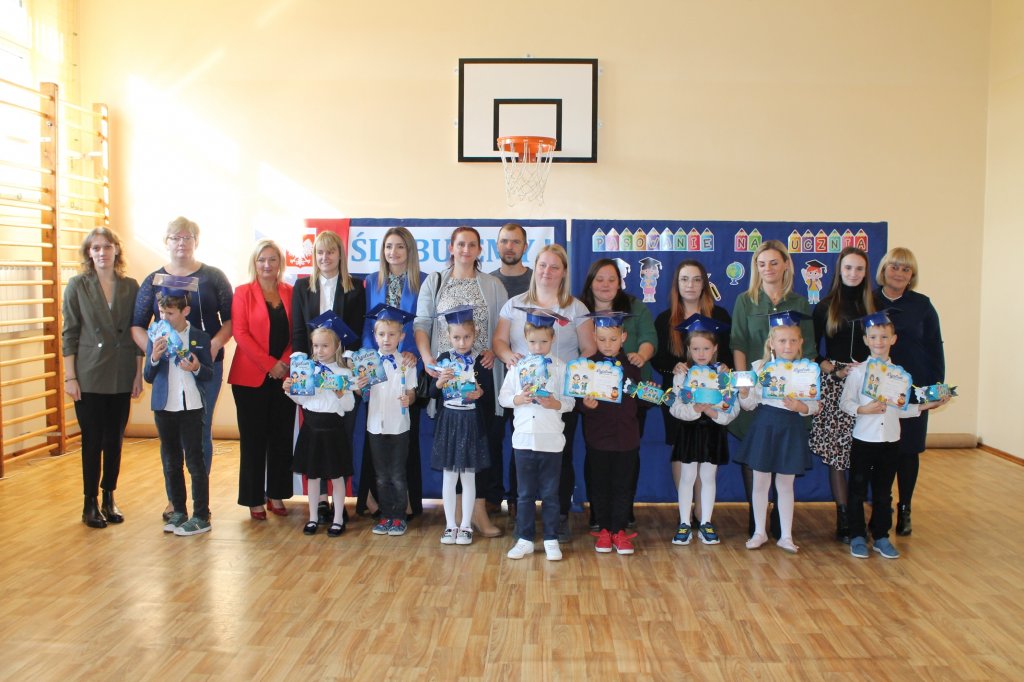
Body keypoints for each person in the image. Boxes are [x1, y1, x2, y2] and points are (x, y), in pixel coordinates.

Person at [131, 217, 233, 521]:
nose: (181, 243)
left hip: (204, 366)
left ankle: (200, 503)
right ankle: (175, 501)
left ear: (196, 241)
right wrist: (155, 352)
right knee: (172, 439)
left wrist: (213, 345)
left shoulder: (214, 277)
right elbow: (137, 326)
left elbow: (230, 320)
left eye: (188, 237)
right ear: (167, 241)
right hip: (167, 371)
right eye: (176, 237)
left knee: (200, 432)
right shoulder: (153, 280)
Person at [493, 244, 596, 542]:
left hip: (559, 397)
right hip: (524, 396)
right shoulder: (514, 305)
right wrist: (510, 358)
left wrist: (569, 375)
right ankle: (520, 516)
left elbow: (589, 348)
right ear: (534, 267)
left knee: (561, 456)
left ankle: (560, 516)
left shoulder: (576, 308)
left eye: (554, 267)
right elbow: (499, 342)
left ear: (564, 272)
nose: (547, 271)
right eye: (542, 265)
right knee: (520, 454)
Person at [415, 226, 508, 536]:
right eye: (460, 244)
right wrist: (428, 359)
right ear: (451, 248)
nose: (466, 250)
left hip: (482, 370)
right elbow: (422, 323)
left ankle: (477, 511)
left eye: (472, 245)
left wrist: (493, 349)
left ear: (480, 250)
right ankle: (455, 515)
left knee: (483, 440)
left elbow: (503, 328)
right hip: (447, 373)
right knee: (453, 441)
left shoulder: (493, 285)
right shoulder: (435, 281)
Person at [839, 311, 948, 559]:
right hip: (864, 440)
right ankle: (857, 536)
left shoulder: (900, 375)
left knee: (883, 492)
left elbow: (900, 409)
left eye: (884, 337)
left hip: (890, 441)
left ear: (893, 339)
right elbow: (845, 403)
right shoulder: (857, 372)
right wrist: (863, 409)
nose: (879, 342)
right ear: (865, 340)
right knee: (857, 490)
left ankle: (881, 536)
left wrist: (925, 406)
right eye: (873, 337)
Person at [730, 241, 815, 538]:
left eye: (774, 262)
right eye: (762, 263)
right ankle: (757, 522)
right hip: (756, 392)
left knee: (784, 456)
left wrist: (800, 389)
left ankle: (781, 519)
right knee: (756, 455)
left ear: (786, 265)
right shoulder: (745, 301)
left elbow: (808, 350)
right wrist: (745, 384)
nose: (768, 268)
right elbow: (738, 344)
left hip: (789, 397)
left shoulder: (799, 303)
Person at [62, 227, 143, 528]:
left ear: (116, 250)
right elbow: (69, 333)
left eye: (107, 246)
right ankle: (89, 503)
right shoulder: (77, 285)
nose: (102, 252)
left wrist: (137, 375)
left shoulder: (130, 286)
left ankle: (109, 496)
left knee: (114, 440)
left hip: (121, 372)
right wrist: (70, 377)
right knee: (92, 440)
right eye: (95, 247)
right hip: (89, 374)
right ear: (88, 253)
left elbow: (137, 333)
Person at [291, 230, 365, 523]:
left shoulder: (354, 287)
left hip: (342, 367)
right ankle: (319, 501)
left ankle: (338, 504)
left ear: (340, 255)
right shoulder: (302, 286)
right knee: (315, 434)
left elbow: (357, 332)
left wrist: (347, 365)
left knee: (340, 436)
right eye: (320, 252)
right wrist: (301, 365)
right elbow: (299, 329)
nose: (325, 257)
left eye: (330, 252)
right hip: (311, 367)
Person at [652, 259, 732, 527]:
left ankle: (702, 512)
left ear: (704, 284)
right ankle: (685, 513)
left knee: (706, 453)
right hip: (680, 396)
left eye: (697, 279)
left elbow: (727, 354)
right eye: (684, 279)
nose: (690, 285)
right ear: (677, 284)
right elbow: (659, 359)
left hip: (712, 398)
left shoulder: (720, 316)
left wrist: (723, 370)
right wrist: (674, 367)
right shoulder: (665, 319)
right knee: (682, 451)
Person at [579, 257, 657, 529]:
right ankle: (598, 513)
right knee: (596, 457)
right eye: (599, 279)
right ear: (590, 282)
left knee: (627, 457)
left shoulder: (634, 306)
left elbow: (649, 338)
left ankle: (624, 512)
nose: (605, 284)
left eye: (611, 279)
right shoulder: (580, 307)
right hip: (595, 399)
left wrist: (640, 357)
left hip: (630, 395)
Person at [735, 311, 820, 554]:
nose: (788, 346)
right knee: (760, 483)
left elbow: (814, 406)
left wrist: (800, 406)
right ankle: (759, 532)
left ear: (800, 342)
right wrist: (744, 393)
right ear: (771, 343)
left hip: (791, 429)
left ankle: (786, 536)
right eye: (782, 341)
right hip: (765, 426)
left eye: (793, 341)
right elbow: (749, 405)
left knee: (785, 484)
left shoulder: (807, 371)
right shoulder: (759, 367)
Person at [874, 247, 944, 536]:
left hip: (915, 386)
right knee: (879, 449)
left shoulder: (922, 305)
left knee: (908, 451)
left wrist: (936, 387)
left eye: (906, 269)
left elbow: (935, 346)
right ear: (884, 269)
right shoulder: (869, 301)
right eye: (894, 267)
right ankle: (882, 505)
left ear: (912, 275)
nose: (899, 273)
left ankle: (905, 508)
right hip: (878, 388)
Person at [498, 310, 575, 561]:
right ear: (525, 340)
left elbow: (570, 402)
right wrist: (518, 398)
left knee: (551, 495)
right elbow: (503, 397)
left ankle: (551, 539)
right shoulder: (517, 367)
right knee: (525, 495)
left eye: (543, 341)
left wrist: (555, 404)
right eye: (533, 342)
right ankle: (525, 539)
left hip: (551, 441)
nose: (538, 347)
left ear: (552, 339)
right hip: (523, 440)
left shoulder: (561, 367)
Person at [359, 226, 425, 520]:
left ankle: (407, 502)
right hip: (376, 366)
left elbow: (424, 324)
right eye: (388, 246)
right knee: (375, 436)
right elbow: (366, 327)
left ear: (409, 250)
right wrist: (369, 361)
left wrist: (413, 354)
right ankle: (375, 500)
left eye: (399, 246)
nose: (393, 252)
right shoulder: (372, 282)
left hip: (408, 365)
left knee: (405, 439)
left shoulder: (422, 281)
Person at [810, 247, 875, 543]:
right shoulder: (825, 306)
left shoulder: (874, 306)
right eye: (848, 267)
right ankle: (844, 516)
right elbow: (811, 351)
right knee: (837, 454)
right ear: (839, 270)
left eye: (859, 268)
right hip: (836, 384)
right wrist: (830, 369)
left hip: (868, 384)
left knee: (866, 450)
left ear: (866, 272)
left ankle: (863, 514)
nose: (853, 273)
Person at [228, 239, 295, 520]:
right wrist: (270, 365)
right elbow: (241, 334)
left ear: (280, 263)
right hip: (249, 378)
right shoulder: (242, 292)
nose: (267, 265)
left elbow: (298, 332)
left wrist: (284, 363)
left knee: (281, 438)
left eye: (272, 259)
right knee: (253, 440)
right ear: (254, 263)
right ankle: (254, 498)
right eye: (261, 259)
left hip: (285, 376)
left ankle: (275, 494)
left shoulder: (290, 292)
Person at [144, 287, 214, 536]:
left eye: (170, 313)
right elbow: (148, 375)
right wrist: (154, 358)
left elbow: (208, 374)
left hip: (191, 406)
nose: (165, 318)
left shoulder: (200, 336)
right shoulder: (156, 335)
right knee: (171, 461)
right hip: (165, 407)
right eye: (162, 312)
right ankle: (178, 511)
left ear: (186, 311)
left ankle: (201, 515)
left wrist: (196, 368)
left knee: (195, 462)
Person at [283, 313, 357, 538]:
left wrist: (339, 391)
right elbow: (302, 400)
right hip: (312, 429)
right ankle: (313, 517)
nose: (319, 350)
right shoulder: (308, 371)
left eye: (325, 346)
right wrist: (289, 390)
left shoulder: (344, 373)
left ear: (336, 346)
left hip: (333, 430)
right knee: (313, 476)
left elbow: (349, 406)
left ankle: (338, 518)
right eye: (316, 346)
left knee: (337, 476)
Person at [667, 314, 738, 546]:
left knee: (708, 477)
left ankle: (706, 522)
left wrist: (713, 413)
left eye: (706, 348)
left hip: (713, 431)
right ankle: (684, 523)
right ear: (688, 349)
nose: (701, 353)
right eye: (695, 348)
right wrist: (694, 410)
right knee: (687, 477)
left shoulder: (723, 375)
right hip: (690, 430)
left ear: (715, 348)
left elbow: (731, 407)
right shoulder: (682, 374)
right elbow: (675, 406)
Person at [576, 311, 641, 555]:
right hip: (598, 438)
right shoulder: (588, 366)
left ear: (623, 337)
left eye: (613, 339)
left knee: (624, 485)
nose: (607, 344)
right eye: (602, 339)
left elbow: (639, 398)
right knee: (600, 485)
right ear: (594, 337)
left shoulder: (632, 367)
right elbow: (579, 402)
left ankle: (619, 531)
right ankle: (604, 530)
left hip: (627, 438)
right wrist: (586, 405)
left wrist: (651, 395)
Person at [430, 305, 493, 546]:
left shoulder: (480, 361)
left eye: (467, 337)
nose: (462, 342)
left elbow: (488, 394)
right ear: (448, 336)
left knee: (468, 476)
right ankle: (450, 525)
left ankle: (466, 525)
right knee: (449, 476)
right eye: (456, 337)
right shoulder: (443, 360)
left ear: (475, 335)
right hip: (449, 421)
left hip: (470, 422)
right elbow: (431, 393)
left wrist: (479, 393)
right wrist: (439, 382)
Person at [484, 222, 533, 515]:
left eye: (515, 242)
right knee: (492, 437)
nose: (509, 246)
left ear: (525, 246)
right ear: (497, 245)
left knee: (523, 438)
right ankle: (492, 496)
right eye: (504, 241)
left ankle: (517, 497)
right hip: (494, 374)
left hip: (528, 378)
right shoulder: (488, 281)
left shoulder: (536, 282)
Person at [360, 304, 418, 537]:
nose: (386, 339)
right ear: (375, 336)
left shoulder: (407, 362)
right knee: (382, 476)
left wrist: (409, 399)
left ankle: (399, 516)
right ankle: (386, 516)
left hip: (399, 427)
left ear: (401, 337)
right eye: (382, 334)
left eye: (392, 334)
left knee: (397, 475)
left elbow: (412, 392)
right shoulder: (368, 363)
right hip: (375, 426)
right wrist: (361, 386)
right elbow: (361, 394)